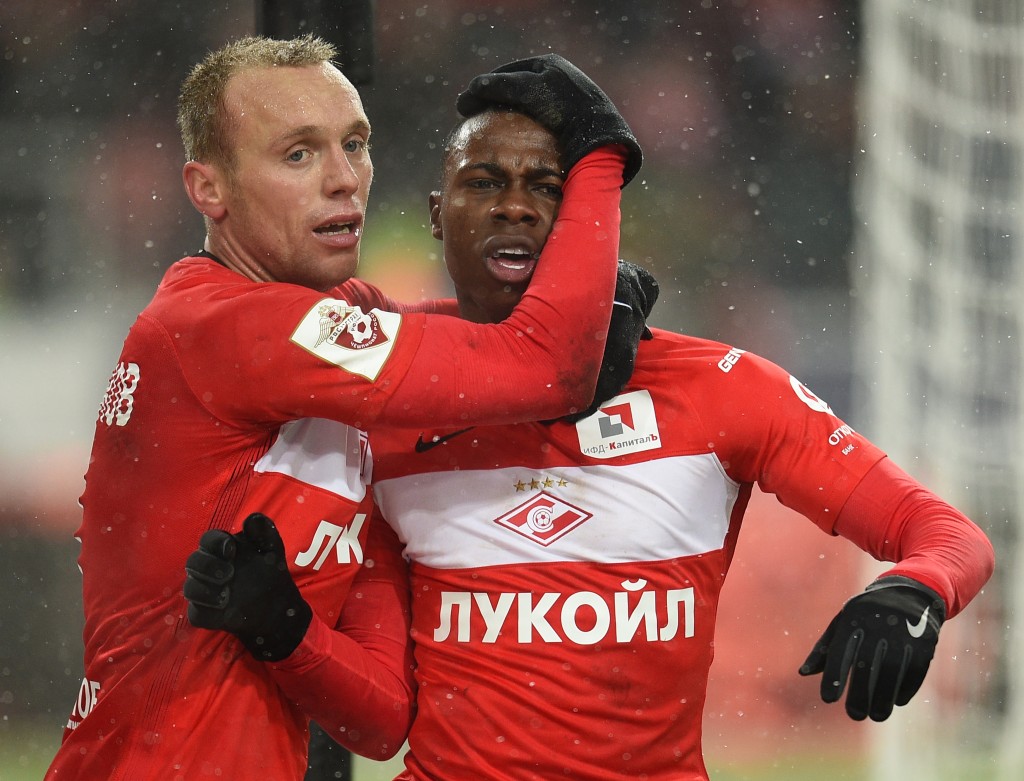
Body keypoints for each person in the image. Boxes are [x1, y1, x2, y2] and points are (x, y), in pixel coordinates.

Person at [358, 60, 997, 780]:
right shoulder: (377, 399)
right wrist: (285, 633)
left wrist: (917, 586)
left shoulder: (722, 389)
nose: (516, 207)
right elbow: (371, 713)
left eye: (547, 187)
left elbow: (947, 534)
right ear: (438, 212)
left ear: (587, 223)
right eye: (484, 182)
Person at [46, 38, 643, 780]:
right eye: (298, 155)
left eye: (354, 144)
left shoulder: (335, 345)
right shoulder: (223, 327)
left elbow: (382, 717)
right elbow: (547, 366)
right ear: (209, 189)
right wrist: (600, 152)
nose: (344, 180)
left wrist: (288, 633)